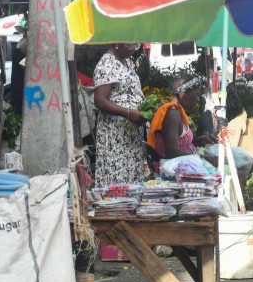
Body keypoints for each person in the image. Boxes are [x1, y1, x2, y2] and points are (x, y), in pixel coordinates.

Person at [93, 43, 146, 186]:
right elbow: (100, 101)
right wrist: (128, 113)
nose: (134, 48)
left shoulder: (126, 61)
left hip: (129, 135)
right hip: (115, 135)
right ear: (116, 41)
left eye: (136, 44)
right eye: (130, 44)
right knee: (117, 179)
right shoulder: (106, 64)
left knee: (132, 177)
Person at [147, 74, 217, 171]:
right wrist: (203, 158)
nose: (197, 99)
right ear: (184, 93)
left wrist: (199, 140)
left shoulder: (176, 112)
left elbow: (179, 144)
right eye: (196, 94)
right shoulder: (172, 114)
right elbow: (171, 151)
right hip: (175, 170)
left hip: (183, 166)